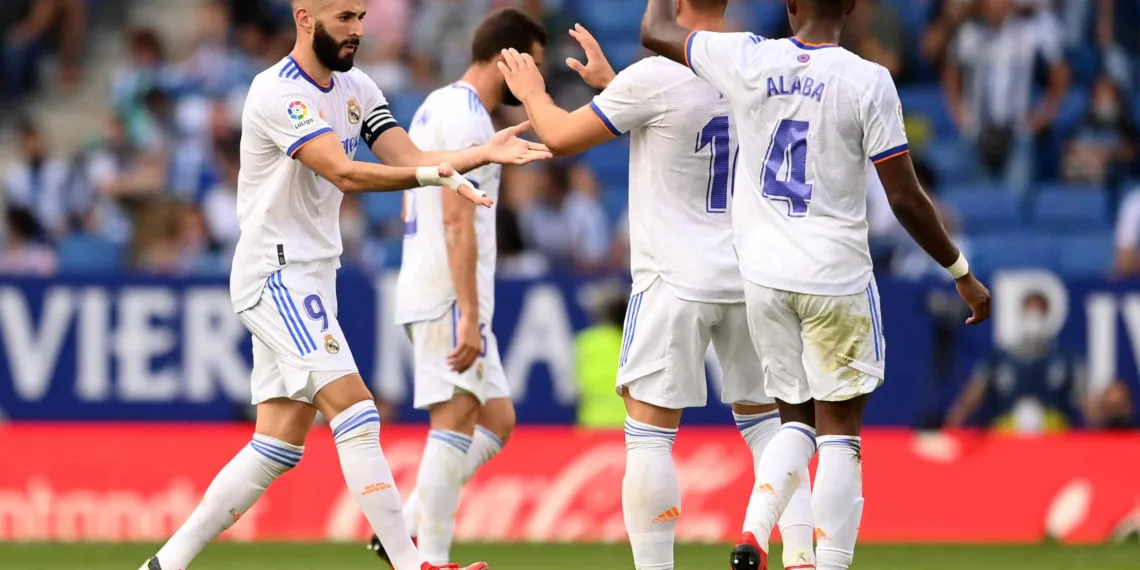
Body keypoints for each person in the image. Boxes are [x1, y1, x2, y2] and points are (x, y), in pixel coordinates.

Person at [140, 1, 551, 569]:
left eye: (361, 15)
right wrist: (439, 172)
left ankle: (164, 564)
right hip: (276, 272)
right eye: (344, 17)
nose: (358, 29)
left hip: (313, 274)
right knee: (356, 412)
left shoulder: (357, 86)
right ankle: (413, 563)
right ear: (305, 17)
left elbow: (409, 156)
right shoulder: (277, 91)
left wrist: (480, 152)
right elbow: (345, 171)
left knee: (276, 447)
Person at [639, 1, 992, 569]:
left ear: (790, 5)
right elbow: (904, 198)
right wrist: (961, 272)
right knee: (839, 436)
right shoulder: (867, 80)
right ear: (851, 7)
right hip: (836, 279)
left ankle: (755, 531)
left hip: (765, 280)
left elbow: (655, 31)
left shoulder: (748, 56)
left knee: (794, 420)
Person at [496, 4, 815, 569]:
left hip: (673, 278)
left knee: (649, 437)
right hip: (749, 274)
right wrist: (615, 85)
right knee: (771, 429)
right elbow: (690, 119)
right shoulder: (761, 62)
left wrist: (531, 90)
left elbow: (561, 137)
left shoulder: (655, 76)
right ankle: (804, 559)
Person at [369, 8, 549, 568]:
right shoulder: (472, 121)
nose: (535, 82)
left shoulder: (435, 104)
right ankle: (431, 555)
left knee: (497, 421)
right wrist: (468, 313)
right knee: (455, 418)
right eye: (533, 67)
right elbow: (456, 218)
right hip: (449, 290)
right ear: (509, 59)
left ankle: (402, 528)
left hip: (426, 279)